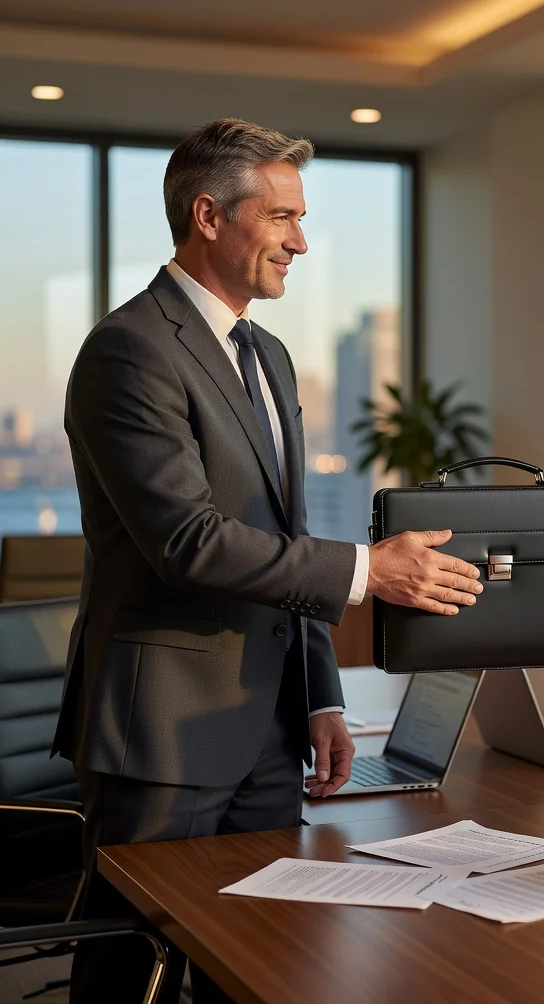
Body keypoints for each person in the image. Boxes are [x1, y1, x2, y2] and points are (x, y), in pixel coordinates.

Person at [54, 118, 483, 1003]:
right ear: (208, 216)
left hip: (267, 732)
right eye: (282, 216)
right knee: (129, 968)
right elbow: (188, 541)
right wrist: (370, 572)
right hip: (165, 735)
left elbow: (284, 531)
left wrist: (319, 692)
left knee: (250, 964)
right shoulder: (129, 351)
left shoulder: (269, 355)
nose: (302, 240)